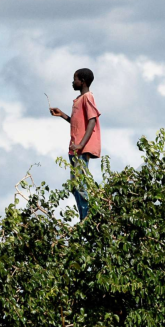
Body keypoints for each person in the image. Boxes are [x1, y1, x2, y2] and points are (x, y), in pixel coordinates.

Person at [49, 68, 101, 221]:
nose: (73, 82)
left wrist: (80, 145)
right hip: (74, 150)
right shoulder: (79, 99)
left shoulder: (88, 97)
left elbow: (92, 121)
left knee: (80, 185)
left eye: (75, 79)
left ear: (83, 81)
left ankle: (87, 217)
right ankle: (83, 217)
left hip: (80, 149)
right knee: (74, 186)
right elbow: (78, 123)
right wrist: (62, 115)